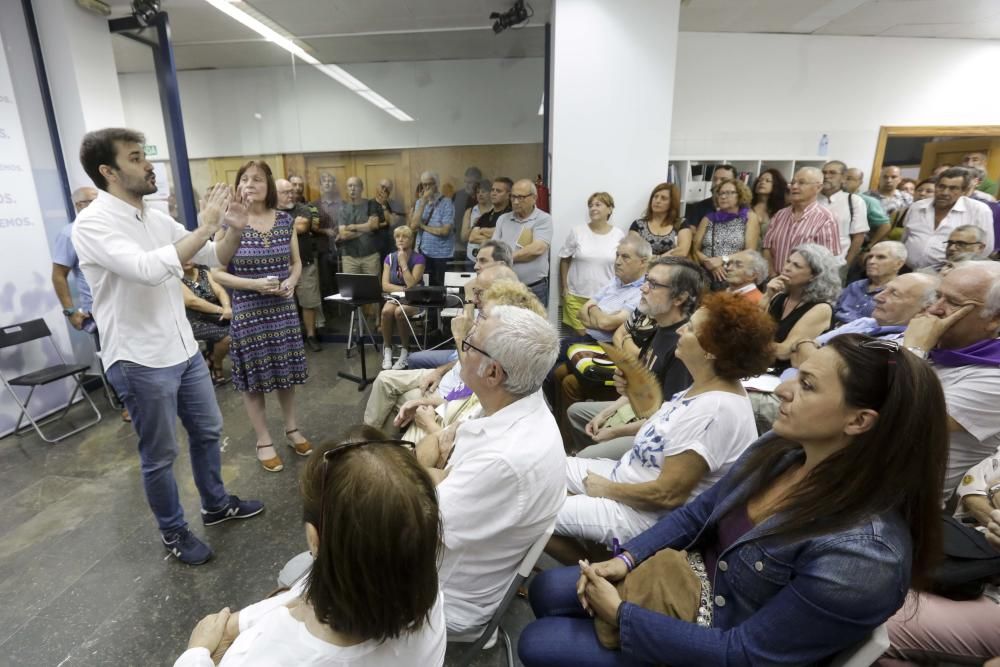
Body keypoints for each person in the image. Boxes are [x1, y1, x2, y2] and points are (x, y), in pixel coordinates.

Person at [518, 334, 949, 667]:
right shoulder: (779, 451)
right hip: (688, 588)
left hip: (720, 639)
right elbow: (699, 513)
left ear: (858, 421)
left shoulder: (864, 556)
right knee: (549, 589)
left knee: (537, 642)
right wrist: (626, 560)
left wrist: (624, 616)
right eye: (797, 375)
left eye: (809, 385)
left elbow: (747, 654)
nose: (783, 389)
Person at [73, 128, 263, 565]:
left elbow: (215, 255)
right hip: (139, 357)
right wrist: (207, 226)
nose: (149, 164)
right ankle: (174, 531)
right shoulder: (93, 224)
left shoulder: (155, 216)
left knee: (208, 431)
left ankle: (215, 505)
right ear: (109, 171)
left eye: (145, 156)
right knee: (160, 454)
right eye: (137, 157)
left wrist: (231, 227)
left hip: (182, 348)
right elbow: (144, 268)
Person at [174, 428, 447, 667]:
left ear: (314, 540)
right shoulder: (426, 596)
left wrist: (195, 653)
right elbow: (299, 597)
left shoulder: (275, 655)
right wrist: (241, 621)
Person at [547, 293, 774, 565]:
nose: (680, 329)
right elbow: (663, 426)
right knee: (541, 469)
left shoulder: (715, 410)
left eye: (690, 328)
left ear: (710, 349)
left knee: (530, 514)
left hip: (642, 516)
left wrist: (605, 489)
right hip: (626, 481)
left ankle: (600, 574)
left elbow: (667, 495)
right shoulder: (703, 387)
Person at [416, 305, 564, 636]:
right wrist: (433, 470)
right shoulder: (516, 400)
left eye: (468, 344)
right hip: (452, 557)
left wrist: (421, 467)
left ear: (493, 372)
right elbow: (436, 450)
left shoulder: (505, 459)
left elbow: (416, 514)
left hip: (440, 594)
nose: (462, 349)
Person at [211, 161, 312, 474]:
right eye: (244, 179)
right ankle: (263, 438)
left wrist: (292, 282)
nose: (250, 184)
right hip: (249, 311)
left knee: (285, 373)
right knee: (254, 380)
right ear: (238, 185)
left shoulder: (284, 220)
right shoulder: (229, 222)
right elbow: (215, 273)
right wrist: (253, 285)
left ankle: (292, 428)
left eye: (257, 179)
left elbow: (296, 263)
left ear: (268, 186)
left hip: (282, 309)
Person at [565, 257, 703, 460]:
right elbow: (643, 388)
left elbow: (668, 420)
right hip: (641, 410)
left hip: (660, 432)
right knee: (576, 412)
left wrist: (614, 432)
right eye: (647, 280)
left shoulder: (683, 344)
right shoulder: (659, 327)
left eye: (654, 284)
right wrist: (607, 412)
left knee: (586, 456)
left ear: (679, 298)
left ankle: (595, 463)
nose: (643, 289)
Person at [362, 264, 517, 432]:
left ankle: (372, 445)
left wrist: (459, 337)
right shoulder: (485, 315)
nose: (475, 265)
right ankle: (368, 442)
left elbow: (473, 378)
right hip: (447, 377)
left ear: (499, 291)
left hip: (449, 395)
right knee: (384, 379)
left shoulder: (501, 334)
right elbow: (461, 360)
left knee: (392, 401)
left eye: (479, 292)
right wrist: (439, 371)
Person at [881, 449, 1000, 665]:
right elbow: (971, 483)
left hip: (992, 593)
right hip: (965, 547)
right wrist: (993, 497)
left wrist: (991, 492)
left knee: (879, 623)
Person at [899, 261, 1000, 497]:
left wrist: (913, 352)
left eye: (954, 303)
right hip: (849, 471)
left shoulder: (994, 378)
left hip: (897, 505)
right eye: (937, 296)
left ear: (995, 318)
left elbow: (900, 419)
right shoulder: (928, 339)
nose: (934, 309)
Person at [549, 237, 650, 439]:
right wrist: (599, 315)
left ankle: (565, 437)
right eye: (617, 255)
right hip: (589, 339)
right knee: (550, 368)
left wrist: (596, 313)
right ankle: (555, 429)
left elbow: (606, 324)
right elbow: (582, 312)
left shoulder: (642, 292)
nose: (618, 261)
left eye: (625, 257)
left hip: (607, 347)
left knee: (561, 376)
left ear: (643, 262)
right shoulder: (616, 281)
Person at [52, 185, 131, 422]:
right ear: (79, 206)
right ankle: (128, 403)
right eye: (92, 200)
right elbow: (58, 275)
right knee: (115, 357)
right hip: (98, 311)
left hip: (125, 305)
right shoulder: (70, 233)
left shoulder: (111, 228)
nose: (100, 204)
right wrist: (70, 311)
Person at [760, 243, 840, 375]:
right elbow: (752, 328)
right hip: (760, 366)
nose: (786, 268)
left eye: (796, 266)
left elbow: (784, 352)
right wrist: (767, 296)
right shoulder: (778, 297)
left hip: (787, 374)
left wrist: (748, 343)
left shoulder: (821, 308)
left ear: (814, 275)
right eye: (788, 262)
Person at [559, 192, 627, 334]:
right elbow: (564, 258)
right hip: (575, 296)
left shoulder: (618, 235)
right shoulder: (577, 232)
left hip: (605, 299)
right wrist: (565, 288)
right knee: (582, 336)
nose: (593, 208)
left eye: (598, 204)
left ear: (610, 209)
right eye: (590, 205)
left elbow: (623, 264)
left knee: (599, 338)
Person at [902, 167, 994, 270]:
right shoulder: (917, 207)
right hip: (908, 270)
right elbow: (905, 237)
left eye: (953, 188)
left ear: (964, 191)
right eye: (941, 187)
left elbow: (985, 248)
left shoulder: (978, 210)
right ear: (935, 186)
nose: (945, 192)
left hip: (949, 274)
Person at [762, 167, 841, 277]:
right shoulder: (780, 215)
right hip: (775, 281)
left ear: (818, 188)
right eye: (793, 182)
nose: (794, 187)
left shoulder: (826, 219)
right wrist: (772, 274)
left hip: (805, 287)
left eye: (801, 183)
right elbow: (767, 247)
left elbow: (827, 262)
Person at [276, 179, 323, 351]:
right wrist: (289, 223)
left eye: (292, 191)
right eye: (286, 192)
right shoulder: (269, 212)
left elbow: (302, 226)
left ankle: (311, 335)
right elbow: (288, 226)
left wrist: (277, 225)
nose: (292, 194)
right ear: (275, 194)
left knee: (308, 302)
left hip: (304, 264)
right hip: (279, 268)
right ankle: (290, 340)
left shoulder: (303, 208)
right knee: (284, 305)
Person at [492, 178, 554, 305]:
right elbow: (494, 250)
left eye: (521, 197)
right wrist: (522, 255)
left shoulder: (543, 219)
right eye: (513, 197)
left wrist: (507, 257)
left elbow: (537, 249)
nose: (515, 202)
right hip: (506, 287)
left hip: (534, 288)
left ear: (534, 198)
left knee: (534, 324)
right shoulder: (503, 219)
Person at [692, 178, 760, 288]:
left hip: (734, 274)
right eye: (720, 193)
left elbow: (750, 252)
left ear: (740, 195)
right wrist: (710, 263)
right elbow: (694, 249)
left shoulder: (749, 217)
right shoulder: (709, 218)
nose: (723, 197)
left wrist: (722, 259)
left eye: (729, 193)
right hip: (707, 274)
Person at [380, 226, 426, 370]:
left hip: (416, 299)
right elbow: (385, 286)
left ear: (411, 240)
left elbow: (412, 284)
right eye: (398, 236)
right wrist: (404, 290)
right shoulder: (389, 258)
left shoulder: (419, 258)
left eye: (404, 236)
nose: (400, 239)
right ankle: (387, 349)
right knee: (386, 312)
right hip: (395, 297)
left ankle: (405, 350)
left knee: (400, 312)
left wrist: (403, 264)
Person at [180, 262, 232, 386]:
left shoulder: (203, 271)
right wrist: (221, 310)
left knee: (241, 328)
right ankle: (216, 365)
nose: (187, 259)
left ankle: (210, 357)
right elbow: (192, 302)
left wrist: (227, 307)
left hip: (215, 316)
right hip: (192, 321)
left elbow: (220, 291)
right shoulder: (175, 277)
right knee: (227, 337)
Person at [833, 240, 907, 324]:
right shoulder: (855, 286)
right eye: (870, 257)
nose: (871, 261)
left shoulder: (899, 294)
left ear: (898, 264)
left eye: (881, 257)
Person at [817, 160, 869, 270]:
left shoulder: (854, 201)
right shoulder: (811, 198)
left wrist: (847, 264)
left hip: (837, 263)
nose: (826, 176)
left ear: (844, 178)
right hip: (808, 262)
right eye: (824, 172)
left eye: (832, 173)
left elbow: (858, 237)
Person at [409, 171, 455, 287]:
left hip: (441, 255)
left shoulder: (447, 203)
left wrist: (423, 226)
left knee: (439, 289)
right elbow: (413, 227)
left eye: (430, 184)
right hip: (422, 252)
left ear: (437, 184)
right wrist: (423, 202)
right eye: (424, 184)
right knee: (423, 287)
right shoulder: (420, 202)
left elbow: (445, 231)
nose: (427, 187)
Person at [338, 176, 386, 280]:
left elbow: (374, 225)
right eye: (349, 186)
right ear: (346, 189)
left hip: (370, 256)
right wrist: (366, 229)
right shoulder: (343, 209)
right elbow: (343, 235)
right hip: (349, 258)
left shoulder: (371, 204)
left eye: (355, 186)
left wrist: (353, 227)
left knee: (373, 291)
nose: (352, 189)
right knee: (352, 291)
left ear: (362, 188)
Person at [629, 182, 690, 257]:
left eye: (663, 198)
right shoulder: (638, 224)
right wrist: (660, 258)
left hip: (671, 268)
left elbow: (682, 252)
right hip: (644, 268)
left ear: (672, 203)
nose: (657, 201)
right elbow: (632, 252)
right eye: (655, 197)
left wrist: (651, 258)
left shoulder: (681, 224)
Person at [465, 177, 512, 269]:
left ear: (508, 195)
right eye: (492, 190)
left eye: (498, 191)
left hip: (501, 265)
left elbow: (506, 240)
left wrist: (481, 231)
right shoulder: (485, 216)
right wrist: (496, 236)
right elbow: (472, 237)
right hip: (483, 264)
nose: (494, 193)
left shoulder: (511, 215)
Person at [310, 172, 340, 298]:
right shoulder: (313, 205)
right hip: (322, 249)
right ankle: (330, 313)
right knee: (325, 282)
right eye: (325, 181)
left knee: (341, 281)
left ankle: (344, 312)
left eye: (330, 181)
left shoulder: (341, 204)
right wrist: (325, 231)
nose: (327, 183)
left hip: (341, 247)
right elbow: (311, 227)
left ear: (334, 185)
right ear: (321, 185)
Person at [683, 164, 737, 230]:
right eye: (715, 179)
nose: (717, 183)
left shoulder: (743, 209)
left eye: (723, 179)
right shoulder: (699, 207)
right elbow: (689, 229)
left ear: (735, 183)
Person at [460, 178, 492, 268]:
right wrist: (474, 226)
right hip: (472, 258)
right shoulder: (470, 211)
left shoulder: (495, 211)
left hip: (491, 258)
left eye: (483, 191)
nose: (480, 194)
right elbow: (463, 237)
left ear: (490, 193)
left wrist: (477, 234)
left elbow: (497, 236)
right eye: (478, 192)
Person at [750, 168, 788, 242]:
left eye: (767, 181)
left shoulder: (780, 212)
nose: (762, 182)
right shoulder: (746, 208)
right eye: (759, 180)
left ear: (776, 185)